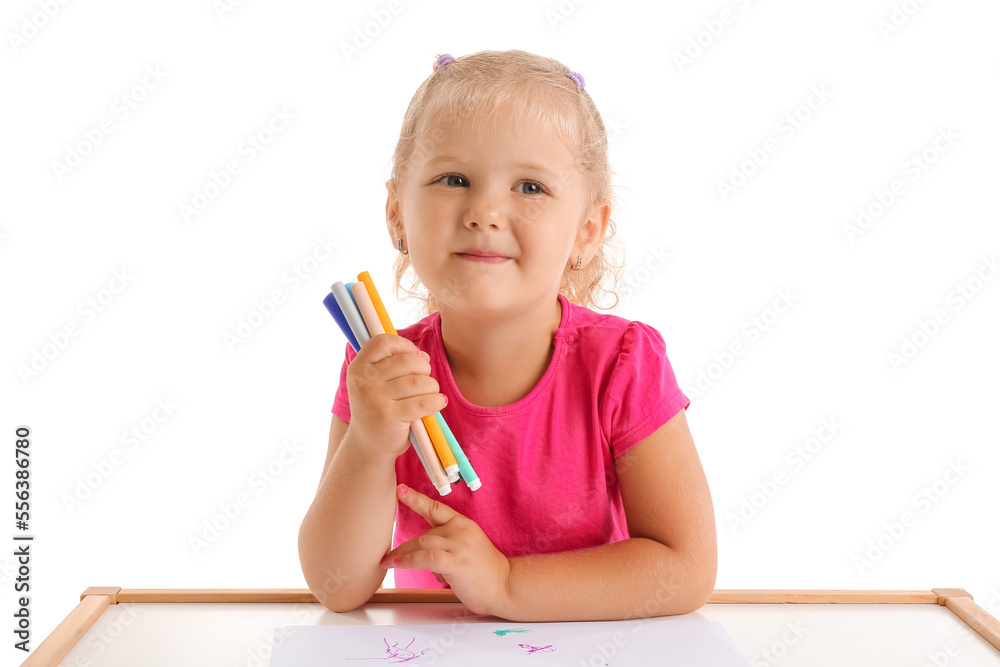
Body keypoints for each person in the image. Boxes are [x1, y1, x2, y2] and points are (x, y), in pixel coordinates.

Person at [298, 49, 717, 623]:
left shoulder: (622, 363)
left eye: (530, 187)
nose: (485, 211)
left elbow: (685, 568)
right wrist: (371, 442)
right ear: (397, 211)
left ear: (587, 231)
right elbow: (337, 587)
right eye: (454, 179)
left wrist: (506, 585)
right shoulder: (381, 365)